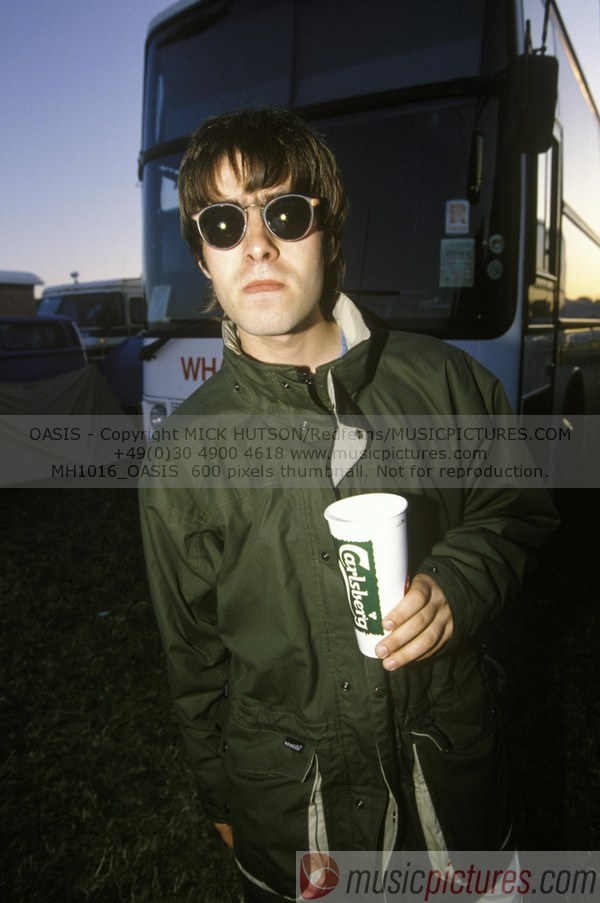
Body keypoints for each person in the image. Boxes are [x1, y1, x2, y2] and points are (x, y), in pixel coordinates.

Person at [138, 107, 558, 902]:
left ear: (329, 233)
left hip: (451, 793)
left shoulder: (449, 386)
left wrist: (458, 583)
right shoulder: (182, 453)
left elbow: (517, 508)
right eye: (224, 223)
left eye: (285, 213)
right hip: (297, 817)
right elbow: (191, 656)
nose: (256, 245)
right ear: (203, 255)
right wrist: (221, 795)